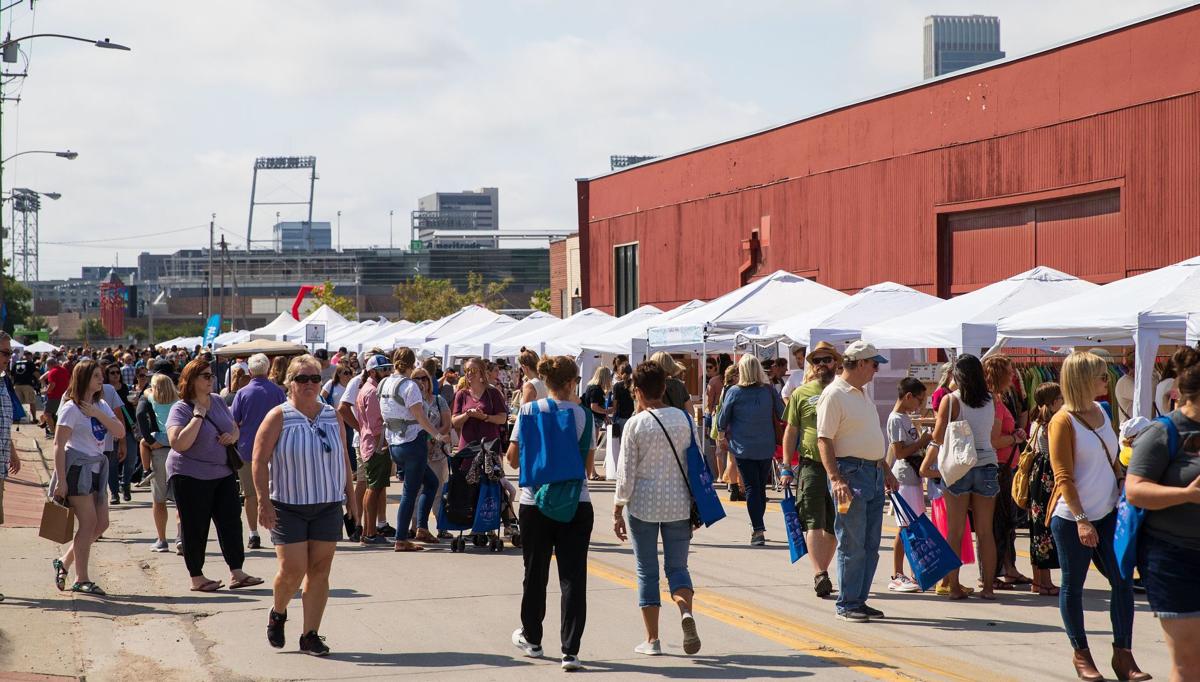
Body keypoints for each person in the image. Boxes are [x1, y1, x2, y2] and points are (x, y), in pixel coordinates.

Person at [1045, 351, 1146, 682]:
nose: (1108, 380)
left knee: (1122, 583)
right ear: (1083, 380)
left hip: (1108, 512)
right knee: (1073, 587)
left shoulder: (1102, 411)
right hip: (1074, 518)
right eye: (1102, 376)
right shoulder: (1062, 421)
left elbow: (1113, 456)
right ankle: (1082, 655)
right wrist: (1082, 519)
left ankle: (1124, 656)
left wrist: (1120, 481)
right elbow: (1063, 476)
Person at [253, 354, 357, 656]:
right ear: (290, 383)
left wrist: (351, 499)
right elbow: (258, 461)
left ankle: (310, 634)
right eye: (302, 379)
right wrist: (263, 501)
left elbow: (343, 460)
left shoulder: (331, 415)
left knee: (320, 570)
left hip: (327, 503)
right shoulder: (278, 416)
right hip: (288, 504)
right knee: (292, 569)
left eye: (314, 378)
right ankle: (279, 611)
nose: (309, 384)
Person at [505, 355, 594, 671]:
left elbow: (513, 459)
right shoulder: (584, 416)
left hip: (534, 502)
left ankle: (533, 639)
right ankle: (570, 651)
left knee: (535, 572)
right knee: (573, 577)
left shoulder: (528, 411)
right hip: (576, 502)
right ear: (571, 383)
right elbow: (586, 466)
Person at [613, 361, 701, 656]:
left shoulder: (635, 425)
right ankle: (685, 611)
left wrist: (617, 509)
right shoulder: (684, 419)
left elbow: (626, 473)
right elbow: (695, 462)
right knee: (678, 568)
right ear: (664, 387)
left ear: (637, 391)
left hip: (643, 506)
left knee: (647, 571)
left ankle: (652, 640)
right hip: (678, 503)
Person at [1126, 349, 1200, 682]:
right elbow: (1135, 490)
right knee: (1189, 663)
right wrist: (1186, 495)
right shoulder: (1162, 432)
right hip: (1173, 558)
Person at [166, 358, 263, 593]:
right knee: (195, 526)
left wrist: (233, 436)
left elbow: (234, 426)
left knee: (230, 522)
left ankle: (237, 572)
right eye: (205, 376)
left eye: (211, 376)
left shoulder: (218, 401)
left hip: (222, 472)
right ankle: (196, 577)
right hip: (190, 474)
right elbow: (178, 443)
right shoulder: (181, 408)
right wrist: (198, 417)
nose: (211, 380)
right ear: (191, 380)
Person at [817, 340, 896, 622]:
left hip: (871, 472)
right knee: (852, 541)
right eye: (874, 364)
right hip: (850, 473)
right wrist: (835, 478)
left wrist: (884, 467)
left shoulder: (860, 393)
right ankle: (848, 602)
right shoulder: (835, 394)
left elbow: (868, 436)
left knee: (870, 543)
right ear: (861, 363)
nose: (876, 370)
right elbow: (824, 439)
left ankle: (858, 600)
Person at [918, 354, 1001, 601]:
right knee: (985, 532)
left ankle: (953, 586)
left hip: (958, 467)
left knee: (954, 531)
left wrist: (927, 461)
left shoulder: (950, 401)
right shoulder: (992, 401)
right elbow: (992, 434)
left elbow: (938, 435)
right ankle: (988, 587)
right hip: (986, 463)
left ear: (958, 375)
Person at [50, 359, 125, 595]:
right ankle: (81, 578)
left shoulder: (100, 404)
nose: (101, 379)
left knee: (101, 524)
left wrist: (96, 413)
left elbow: (120, 431)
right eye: (95, 376)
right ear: (83, 378)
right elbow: (58, 444)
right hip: (77, 469)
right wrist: (61, 480)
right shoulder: (71, 408)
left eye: (100, 375)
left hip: (96, 469)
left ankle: (64, 561)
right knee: (89, 523)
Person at [780, 341, 841, 598]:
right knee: (813, 520)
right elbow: (791, 430)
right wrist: (786, 467)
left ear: (836, 363)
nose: (822, 365)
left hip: (843, 467)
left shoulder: (845, 391)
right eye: (817, 361)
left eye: (827, 360)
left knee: (836, 525)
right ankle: (820, 574)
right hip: (812, 466)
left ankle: (822, 570)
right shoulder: (801, 393)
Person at [380, 347, 447, 551]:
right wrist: (437, 435)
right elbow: (420, 417)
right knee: (410, 492)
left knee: (431, 482)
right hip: (412, 443)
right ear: (413, 364)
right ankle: (401, 539)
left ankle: (421, 528)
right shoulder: (410, 387)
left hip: (394, 443)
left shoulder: (384, 383)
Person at [716, 354, 784, 546]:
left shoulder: (734, 391)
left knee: (752, 487)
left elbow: (722, 419)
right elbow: (782, 413)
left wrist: (722, 437)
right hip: (766, 445)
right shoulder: (769, 391)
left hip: (742, 447)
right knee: (760, 487)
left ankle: (758, 529)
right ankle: (758, 525)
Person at [983, 355, 1031, 591]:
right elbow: (993, 439)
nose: (1014, 375)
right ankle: (993, 572)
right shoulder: (992, 401)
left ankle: (1007, 568)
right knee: (999, 522)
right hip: (1000, 466)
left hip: (1006, 464)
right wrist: (1014, 437)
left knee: (1007, 521)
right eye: (1010, 370)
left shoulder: (999, 399)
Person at [231, 353, 287, 550]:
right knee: (275, 492)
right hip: (275, 448)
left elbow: (234, 421)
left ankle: (254, 533)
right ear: (267, 368)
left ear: (250, 371)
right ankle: (275, 532)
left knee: (250, 494)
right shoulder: (278, 392)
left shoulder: (242, 393)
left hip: (248, 449)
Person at [885, 377, 932, 594]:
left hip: (912, 477)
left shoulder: (904, 417)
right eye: (919, 400)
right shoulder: (896, 419)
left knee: (913, 526)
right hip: (903, 477)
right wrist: (922, 441)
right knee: (905, 528)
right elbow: (900, 452)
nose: (919, 406)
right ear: (908, 396)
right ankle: (897, 574)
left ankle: (913, 572)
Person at [136, 373, 180, 552]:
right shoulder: (179, 400)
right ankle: (181, 538)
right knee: (181, 501)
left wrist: (147, 389)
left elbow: (140, 412)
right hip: (177, 443)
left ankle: (146, 470)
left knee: (159, 500)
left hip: (160, 443)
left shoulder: (152, 398)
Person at [1027, 382, 1063, 597]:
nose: (1063, 401)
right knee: (1045, 530)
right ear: (1052, 402)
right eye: (1060, 398)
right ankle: (1046, 582)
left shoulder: (1036, 422)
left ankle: (1038, 581)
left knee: (1037, 529)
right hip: (1048, 475)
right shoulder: (1051, 424)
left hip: (1037, 475)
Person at [355, 354, 393, 545]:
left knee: (374, 489)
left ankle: (369, 532)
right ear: (372, 371)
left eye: (388, 368)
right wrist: (382, 446)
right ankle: (370, 533)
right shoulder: (372, 391)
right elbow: (376, 425)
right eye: (384, 369)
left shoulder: (369, 388)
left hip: (372, 444)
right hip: (376, 446)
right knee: (374, 489)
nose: (388, 372)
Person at [413, 365, 452, 538]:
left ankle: (441, 525)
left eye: (424, 378)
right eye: (417, 378)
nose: (421, 382)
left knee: (438, 491)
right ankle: (416, 526)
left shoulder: (438, 400)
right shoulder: (411, 401)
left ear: (430, 381)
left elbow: (447, 424)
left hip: (437, 452)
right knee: (416, 491)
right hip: (417, 452)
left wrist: (432, 439)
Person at [101, 361, 136, 504]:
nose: (116, 375)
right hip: (109, 431)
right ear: (107, 375)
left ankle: (126, 485)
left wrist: (135, 402)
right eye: (112, 373)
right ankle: (114, 493)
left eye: (117, 372)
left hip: (128, 428)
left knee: (130, 461)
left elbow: (127, 411)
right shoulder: (105, 391)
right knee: (112, 464)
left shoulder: (126, 389)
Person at [712, 364, 744, 500]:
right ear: (735, 376)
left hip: (726, 427)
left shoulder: (725, 388)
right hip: (732, 426)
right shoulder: (733, 389)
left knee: (732, 459)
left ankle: (735, 487)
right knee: (736, 459)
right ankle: (738, 488)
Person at [582, 366, 613, 480]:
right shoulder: (596, 389)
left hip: (593, 419)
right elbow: (594, 407)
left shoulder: (592, 387)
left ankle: (591, 472)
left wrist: (604, 415)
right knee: (592, 447)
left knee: (592, 447)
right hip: (594, 420)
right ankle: (592, 472)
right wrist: (606, 411)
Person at [651, 352, 693, 416]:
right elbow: (691, 413)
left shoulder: (650, 386)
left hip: (657, 423)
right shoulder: (679, 385)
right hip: (678, 422)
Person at [11, 350, 38, 424]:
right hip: (27, 385)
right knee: (32, 402)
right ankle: (34, 418)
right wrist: (39, 381)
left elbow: (12, 375)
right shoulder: (30, 363)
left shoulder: (16, 363)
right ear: (29, 356)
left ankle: (16, 418)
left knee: (17, 403)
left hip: (16, 385)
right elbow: (35, 373)